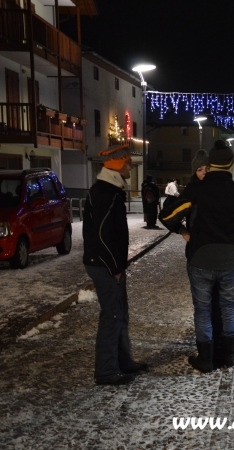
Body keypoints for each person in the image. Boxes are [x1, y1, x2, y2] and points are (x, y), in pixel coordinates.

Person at [160, 140, 234, 373]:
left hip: (201, 257)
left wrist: (182, 231)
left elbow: (167, 216)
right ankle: (230, 356)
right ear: (232, 164)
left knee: (202, 310)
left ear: (210, 164)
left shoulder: (196, 190)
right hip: (230, 258)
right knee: (228, 308)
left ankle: (206, 359)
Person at [83, 144, 147, 385]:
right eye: (128, 163)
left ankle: (123, 361)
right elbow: (100, 235)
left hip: (107, 264)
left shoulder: (109, 191)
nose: (131, 166)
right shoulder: (105, 194)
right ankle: (106, 371)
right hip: (104, 265)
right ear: (118, 166)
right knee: (111, 316)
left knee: (120, 313)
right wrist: (115, 267)